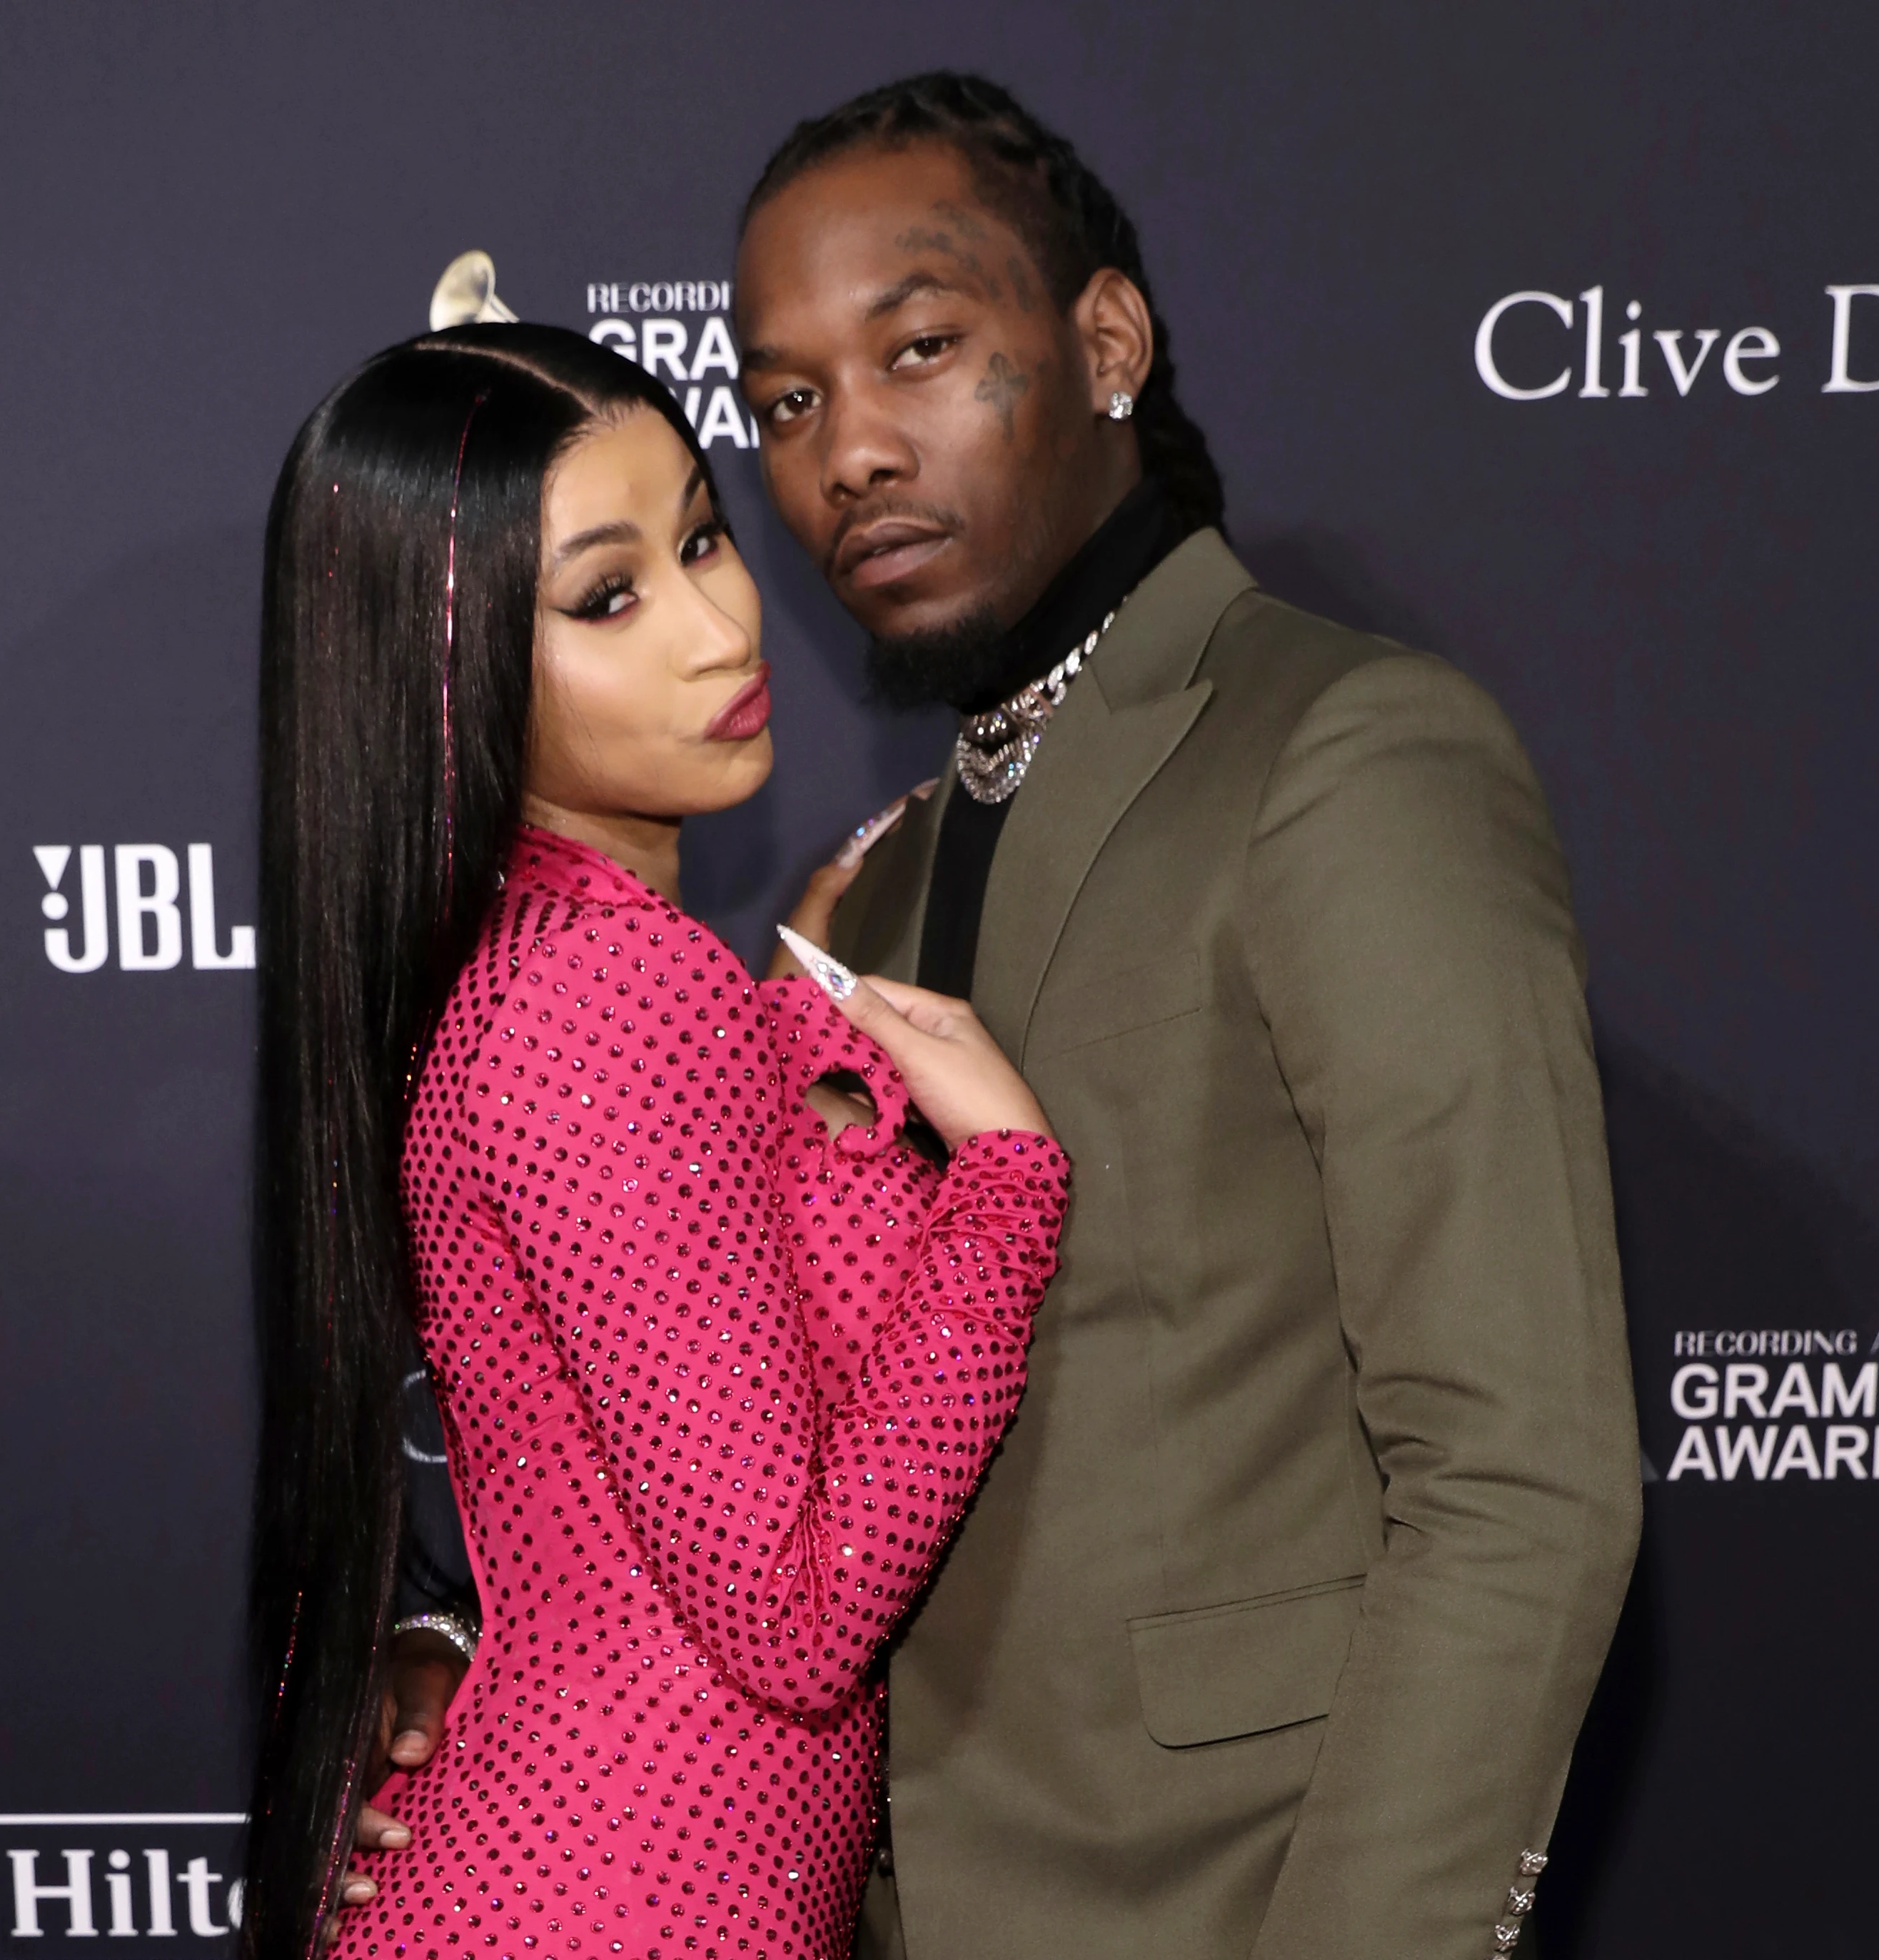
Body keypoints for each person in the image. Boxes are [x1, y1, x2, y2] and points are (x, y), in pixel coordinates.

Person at [366, 72, 1643, 1960]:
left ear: (1103, 339)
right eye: (788, 403)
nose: (847, 452)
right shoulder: (855, 893)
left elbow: (1519, 1481)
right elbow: (693, 1439)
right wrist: (434, 1655)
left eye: (921, 349)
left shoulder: (1337, 753)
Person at [243, 322, 1072, 1960]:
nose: (719, 625)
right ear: (444, 659)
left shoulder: (552, 964)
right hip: (609, 1898)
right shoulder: (605, 986)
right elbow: (796, 1610)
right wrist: (1008, 1190)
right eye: (608, 596)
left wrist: (782, 1052)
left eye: (702, 536)